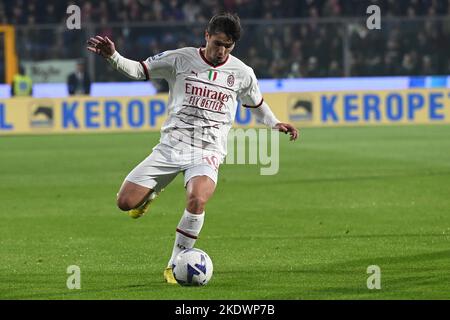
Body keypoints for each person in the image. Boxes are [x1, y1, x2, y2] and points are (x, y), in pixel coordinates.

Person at [86, 12, 298, 284]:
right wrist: (113, 56)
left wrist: (275, 123)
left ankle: (175, 263)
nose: (221, 51)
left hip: (208, 150)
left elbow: (256, 104)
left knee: (197, 199)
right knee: (124, 203)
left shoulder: (243, 74)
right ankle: (151, 193)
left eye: (228, 46)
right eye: (218, 43)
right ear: (206, 36)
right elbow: (140, 70)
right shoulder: (180, 59)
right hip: (171, 147)